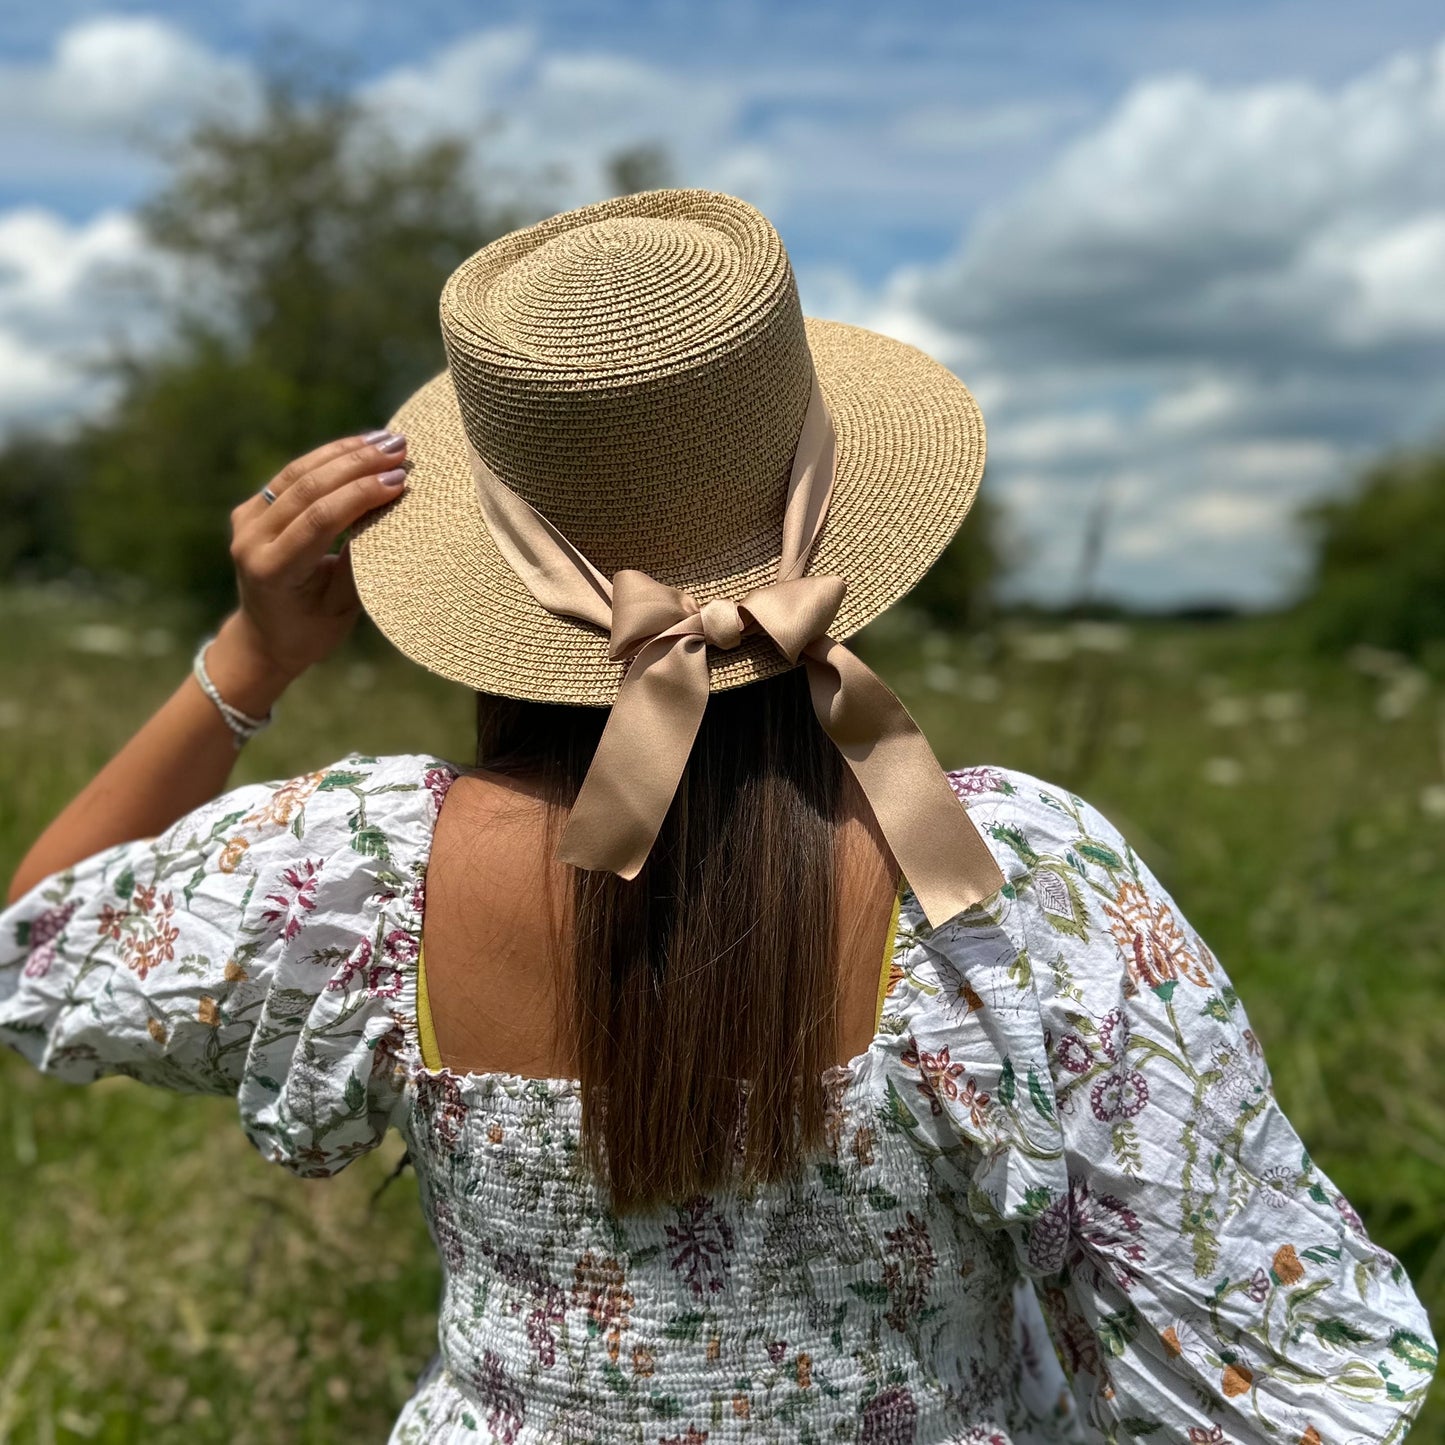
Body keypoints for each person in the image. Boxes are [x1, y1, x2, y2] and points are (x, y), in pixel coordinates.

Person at [0, 189, 1434, 1444]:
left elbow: (30, 945)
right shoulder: (1002, 879)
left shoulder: (362, 869)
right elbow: (1279, 1380)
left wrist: (251, 658)